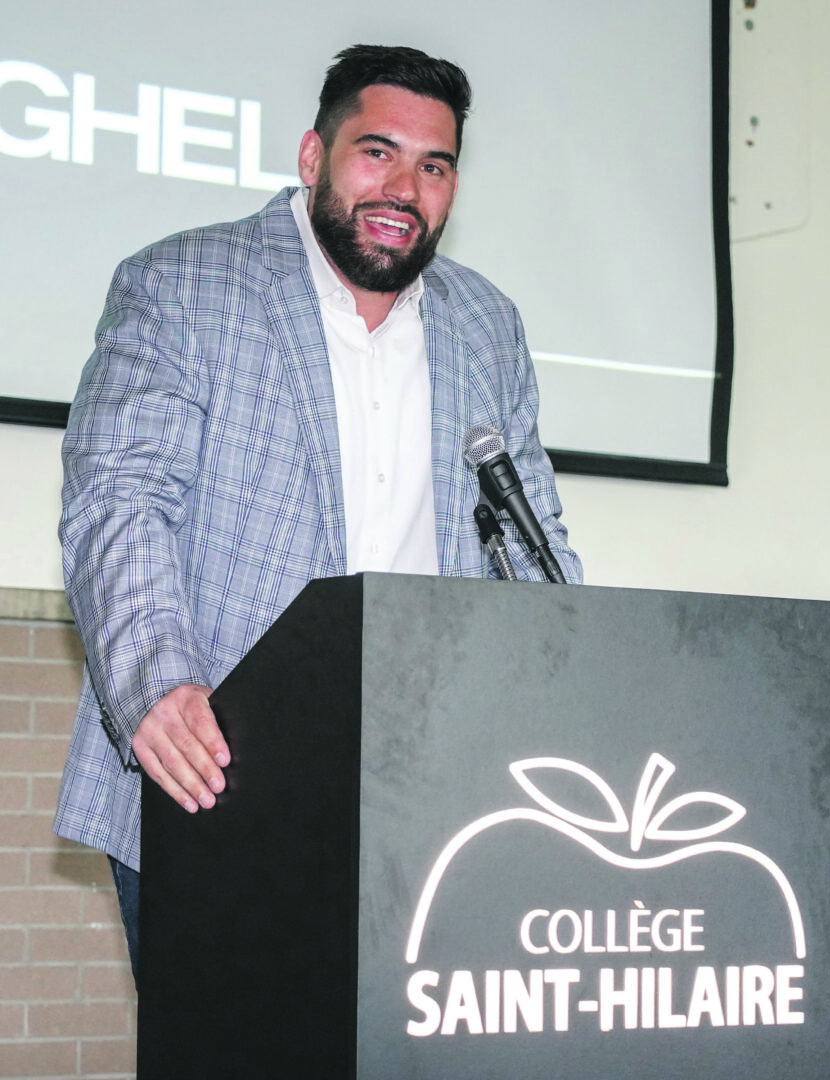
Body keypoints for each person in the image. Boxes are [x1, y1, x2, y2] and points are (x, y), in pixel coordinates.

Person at [53, 44, 583, 981]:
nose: (405, 187)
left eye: (435, 165)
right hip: (215, 779)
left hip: (428, 801)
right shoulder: (185, 284)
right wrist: (156, 685)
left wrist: (583, 686)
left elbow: (534, 537)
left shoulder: (487, 324)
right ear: (312, 158)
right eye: (376, 152)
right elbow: (120, 499)